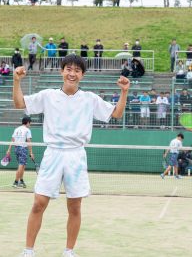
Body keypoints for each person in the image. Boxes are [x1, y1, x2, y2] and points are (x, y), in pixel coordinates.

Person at [13, 55, 130, 257]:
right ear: (62, 71)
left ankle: (69, 251)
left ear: (82, 75)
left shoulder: (89, 99)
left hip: (76, 156)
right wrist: (16, 81)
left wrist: (124, 91)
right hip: (53, 154)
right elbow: (19, 103)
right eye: (69, 69)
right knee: (38, 203)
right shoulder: (48, 95)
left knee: (75, 206)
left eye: (77, 70)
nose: (72, 73)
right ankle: (28, 250)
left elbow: (116, 114)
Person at [7, 116, 34, 189]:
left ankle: (21, 181)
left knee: (23, 165)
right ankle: (16, 182)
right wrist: (31, 152)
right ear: (27, 122)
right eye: (30, 123)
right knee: (21, 165)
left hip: (16, 148)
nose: (30, 124)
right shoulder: (27, 130)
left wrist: (9, 150)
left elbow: (12, 140)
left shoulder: (16, 129)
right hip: (23, 149)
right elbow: (29, 141)